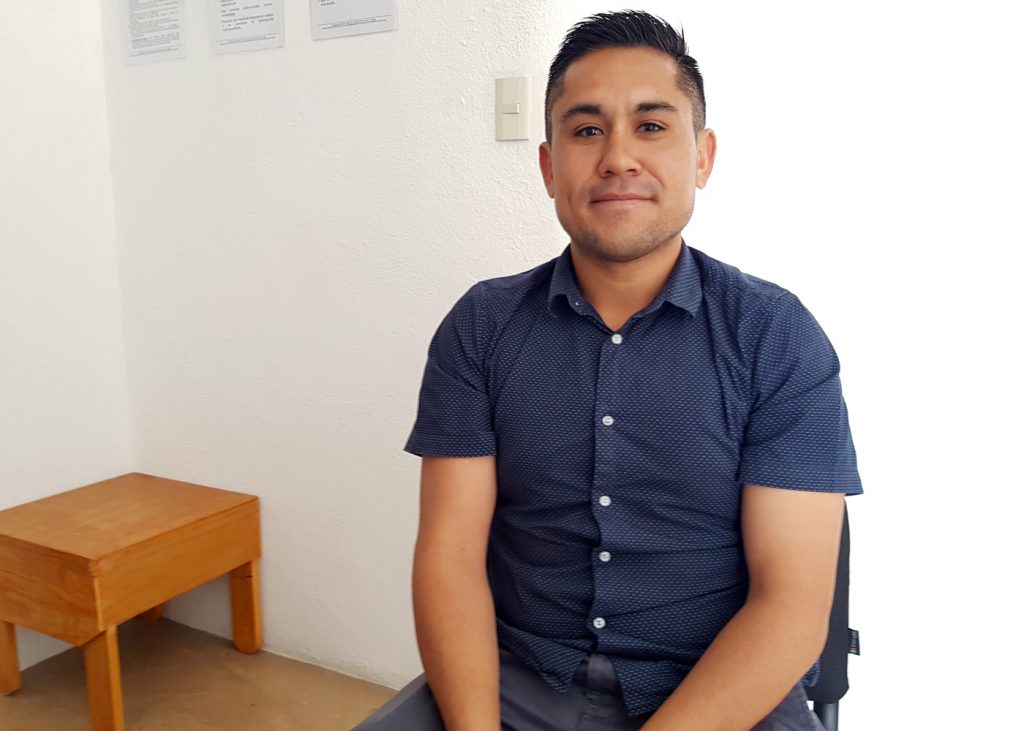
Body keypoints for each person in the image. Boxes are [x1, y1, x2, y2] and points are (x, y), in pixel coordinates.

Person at [358, 10, 862, 731]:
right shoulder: (482, 326)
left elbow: (791, 606)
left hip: (719, 689)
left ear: (702, 157)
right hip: (518, 676)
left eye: (651, 126)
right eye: (588, 129)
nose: (619, 157)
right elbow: (450, 559)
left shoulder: (775, 336)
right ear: (548, 166)